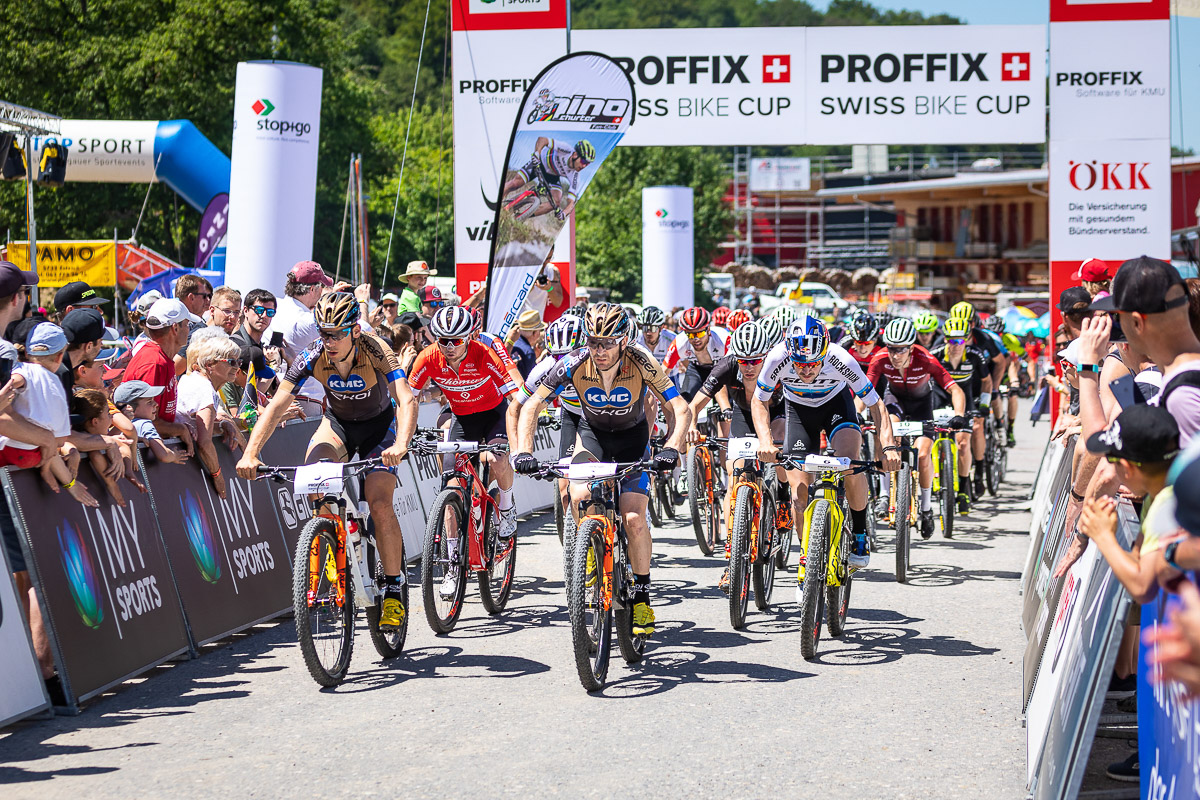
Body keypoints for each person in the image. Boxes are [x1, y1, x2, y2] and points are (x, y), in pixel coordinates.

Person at [237, 292, 416, 630]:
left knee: (379, 504)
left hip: (381, 430)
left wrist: (402, 444)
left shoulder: (377, 349)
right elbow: (276, 405)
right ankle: (334, 552)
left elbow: (406, 399)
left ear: (355, 331)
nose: (329, 341)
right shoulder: (312, 355)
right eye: (323, 333)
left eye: (336, 333)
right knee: (316, 482)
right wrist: (251, 452)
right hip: (338, 425)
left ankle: (393, 589)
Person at [513, 303, 692, 637]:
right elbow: (532, 404)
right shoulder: (573, 362)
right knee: (578, 493)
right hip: (591, 435)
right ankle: (592, 551)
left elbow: (679, 408)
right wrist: (524, 450)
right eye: (594, 342)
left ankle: (641, 594)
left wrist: (671, 446)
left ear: (623, 341)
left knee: (635, 519)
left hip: (632, 438)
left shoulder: (641, 360)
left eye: (607, 342)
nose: (600, 350)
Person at [754, 315, 900, 569]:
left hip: (836, 408)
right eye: (800, 364)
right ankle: (805, 562)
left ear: (824, 353)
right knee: (799, 498)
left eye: (813, 364)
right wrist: (766, 441)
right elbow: (759, 400)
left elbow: (876, 404)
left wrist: (886, 446)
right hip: (799, 412)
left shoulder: (840, 358)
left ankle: (859, 533)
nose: (806, 370)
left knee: (850, 466)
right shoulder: (778, 357)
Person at [406, 306, 521, 585]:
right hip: (462, 417)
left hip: (493, 415)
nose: (448, 347)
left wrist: (517, 442)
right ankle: (452, 566)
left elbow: (517, 393)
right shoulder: (429, 357)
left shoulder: (485, 353)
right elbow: (408, 399)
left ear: (469, 337)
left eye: (455, 341)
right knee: (452, 487)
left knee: (496, 459)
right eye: (442, 340)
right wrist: (403, 437)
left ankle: (506, 508)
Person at [686, 321, 784, 590]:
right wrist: (692, 426)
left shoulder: (778, 365)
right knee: (734, 472)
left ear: (765, 356)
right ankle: (733, 554)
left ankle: (783, 494)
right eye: (744, 361)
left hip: (777, 413)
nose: (750, 366)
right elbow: (695, 404)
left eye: (755, 360)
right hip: (743, 414)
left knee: (778, 452)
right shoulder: (727, 366)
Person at [867, 317, 966, 539]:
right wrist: (855, 413)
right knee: (887, 433)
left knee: (922, 456)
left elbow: (956, 390)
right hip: (895, 402)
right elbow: (863, 393)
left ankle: (927, 509)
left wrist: (959, 415)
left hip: (922, 405)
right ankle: (884, 494)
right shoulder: (880, 358)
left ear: (911, 348)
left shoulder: (926, 359)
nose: (895, 355)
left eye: (900, 350)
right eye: (891, 348)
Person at [1092, 257, 1200, 446]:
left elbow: (1101, 453)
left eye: (1117, 317)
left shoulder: (1183, 395)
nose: (1114, 326)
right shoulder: (1179, 378)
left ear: (1136, 323)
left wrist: (1086, 367)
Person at [1, 323, 98, 506]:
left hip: (11, 450)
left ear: (28, 352)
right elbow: (60, 440)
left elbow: (15, 381)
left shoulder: (22, 370)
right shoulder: (57, 385)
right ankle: (67, 482)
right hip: (34, 456)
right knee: (50, 445)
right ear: (60, 356)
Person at [513, 314, 585, 520]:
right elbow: (520, 407)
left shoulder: (600, 362)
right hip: (572, 416)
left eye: (570, 355)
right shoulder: (544, 368)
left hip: (603, 417)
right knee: (565, 487)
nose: (564, 362)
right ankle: (576, 541)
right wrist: (521, 452)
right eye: (557, 356)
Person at [123, 298, 197, 455]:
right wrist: (179, 429)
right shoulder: (154, 363)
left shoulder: (162, 359)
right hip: (147, 456)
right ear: (175, 328)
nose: (189, 330)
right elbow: (142, 420)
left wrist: (180, 425)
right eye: (187, 325)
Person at [929, 317, 987, 513]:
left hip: (965, 399)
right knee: (928, 439)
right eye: (950, 340)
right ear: (944, 339)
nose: (955, 345)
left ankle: (963, 490)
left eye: (960, 340)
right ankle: (934, 474)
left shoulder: (975, 356)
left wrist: (985, 403)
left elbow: (986, 382)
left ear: (968, 338)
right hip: (939, 397)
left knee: (963, 443)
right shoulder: (935, 354)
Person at [178, 335, 247, 498]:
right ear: (209, 364)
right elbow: (204, 442)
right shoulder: (204, 388)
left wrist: (223, 425)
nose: (237, 367)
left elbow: (197, 424)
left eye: (239, 362)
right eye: (231, 362)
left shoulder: (196, 380)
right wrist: (218, 477)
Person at [269, 261, 335, 418]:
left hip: (275, 394)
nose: (322, 293)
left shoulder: (274, 308)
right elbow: (356, 332)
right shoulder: (307, 320)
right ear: (312, 289)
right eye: (321, 288)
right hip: (304, 400)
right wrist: (361, 301)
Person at [501, 137, 595, 220]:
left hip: (552, 176)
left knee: (556, 203)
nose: (584, 166)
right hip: (540, 163)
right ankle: (496, 202)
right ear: (575, 155)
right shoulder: (565, 149)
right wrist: (537, 154)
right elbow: (542, 139)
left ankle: (520, 217)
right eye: (583, 161)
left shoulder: (575, 177)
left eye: (587, 164)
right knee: (515, 183)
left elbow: (571, 202)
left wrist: (564, 213)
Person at [664, 306, 730, 401]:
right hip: (697, 369)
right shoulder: (679, 342)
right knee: (686, 404)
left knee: (731, 404)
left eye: (699, 334)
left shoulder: (724, 340)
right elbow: (663, 373)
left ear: (708, 330)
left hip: (722, 369)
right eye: (690, 335)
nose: (696, 339)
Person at [114, 380, 189, 465]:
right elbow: (163, 455)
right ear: (131, 408)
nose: (156, 404)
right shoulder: (145, 424)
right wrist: (174, 456)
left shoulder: (116, 426)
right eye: (149, 402)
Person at [230, 288, 280, 391]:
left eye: (270, 312)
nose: (264, 315)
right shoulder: (235, 346)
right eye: (259, 310)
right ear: (245, 311)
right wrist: (274, 365)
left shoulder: (261, 347)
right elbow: (252, 394)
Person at [173, 274, 213, 372]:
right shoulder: (198, 328)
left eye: (209, 296)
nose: (208, 300)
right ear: (191, 297)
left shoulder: (170, 318)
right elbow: (176, 367)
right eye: (204, 296)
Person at [524, 246, 563, 317]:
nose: (545, 262)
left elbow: (558, 302)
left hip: (537, 321)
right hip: (519, 320)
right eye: (543, 258)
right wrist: (534, 278)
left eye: (549, 258)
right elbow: (518, 297)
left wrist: (549, 289)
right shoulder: (523, 269)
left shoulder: (552, 271)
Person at [507, 309, 544, 380]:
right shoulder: (528, 352)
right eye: (540, 330)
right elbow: (532, 381)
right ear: (535, 333)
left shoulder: (514, 343)